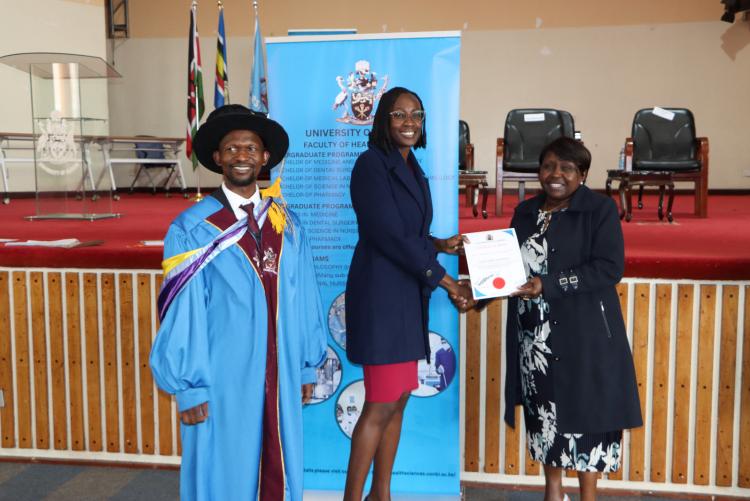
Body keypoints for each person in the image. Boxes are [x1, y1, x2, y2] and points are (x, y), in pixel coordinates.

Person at [149, 104, 327, 501]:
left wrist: (304, 364)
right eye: (231, 149)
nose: (241, 156)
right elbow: (184, 314)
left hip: (279, 370)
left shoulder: (288, 223)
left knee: (277, 465)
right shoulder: (192, 229)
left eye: (250, 148)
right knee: (223, 470)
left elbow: (304, 298)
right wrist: (190, 386)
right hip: (222, 376)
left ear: (265, 158)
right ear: (217, 158)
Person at [343, 86, 473, 501]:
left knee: (398, 400)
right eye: (399, 115)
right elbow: (386, 234)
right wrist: (446, 279)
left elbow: (407, 232)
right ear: (384, 120)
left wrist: (438, 244)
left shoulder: (410, 164)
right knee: (380, 403)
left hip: (406, 294)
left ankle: (380, 494)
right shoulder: (370, 164)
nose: (409, 123)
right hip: (382, 297)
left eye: (416, 115)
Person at [504, 137, 642, 501]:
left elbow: (609, 268)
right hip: (536, 336)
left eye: (567, 168)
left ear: (582, 174)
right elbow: (508, 263)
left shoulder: (600, 210)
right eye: (549, 166)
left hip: (587, 334)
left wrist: (547, 285)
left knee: (589, 414)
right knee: (545, 415)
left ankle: (588, 495)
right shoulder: (525, 212)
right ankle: (552, 491)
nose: (556, 175)